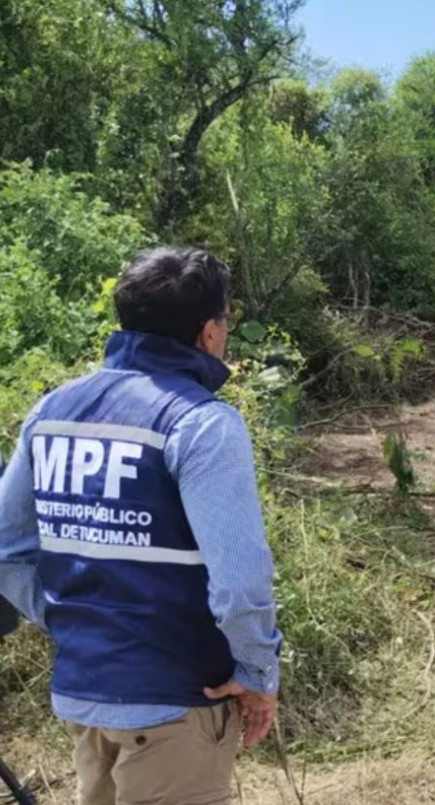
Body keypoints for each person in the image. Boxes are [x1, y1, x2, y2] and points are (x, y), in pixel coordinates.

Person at [0, 247, 282, 805]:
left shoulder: (53, 411)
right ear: (208, 333)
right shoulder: (201, 423)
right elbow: (239, 583)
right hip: (176, 701)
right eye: (226, 322)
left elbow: (8, 550)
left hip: (84, 698)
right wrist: (255, 671)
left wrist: (69, 618)